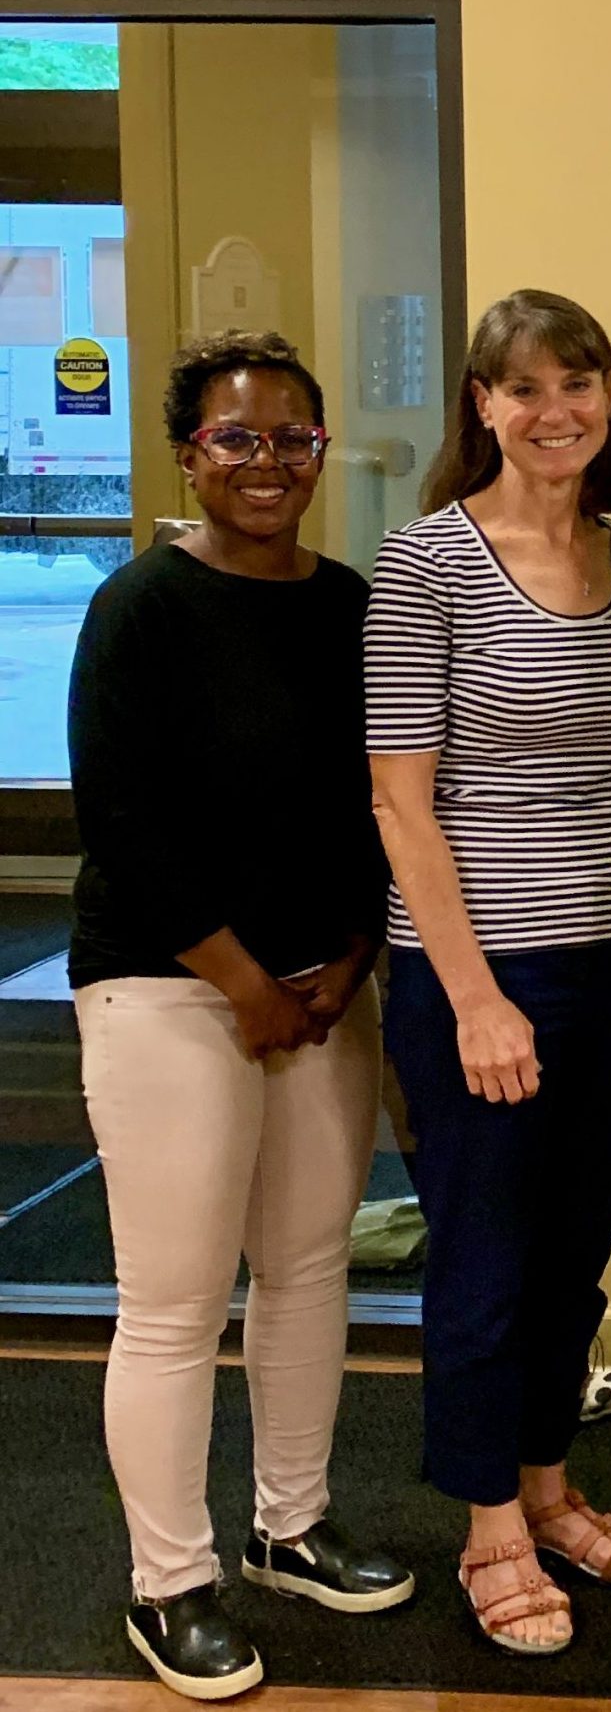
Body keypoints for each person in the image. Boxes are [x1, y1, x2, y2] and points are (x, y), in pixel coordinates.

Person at [367, 289, 611, 1656]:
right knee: (487, 1258)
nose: (555, 409)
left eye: (580, 382)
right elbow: (400, 800)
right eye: (524, 388)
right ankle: (487, 1522)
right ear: (482, 405)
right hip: (485, 966)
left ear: (609, 399)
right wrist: (472, 994)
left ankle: (551, 1481)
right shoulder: (426, 562)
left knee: (573, 1256)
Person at [67, 330, 413, 1700]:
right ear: (186, 453)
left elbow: (385, 800)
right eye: (237, 438)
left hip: (322, 987)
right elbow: (125, 822)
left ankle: (292, 1523)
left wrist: (347, 957)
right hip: (168, 987)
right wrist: (241, 980)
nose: (267, 462)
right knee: (172, 1302)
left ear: (322, 454)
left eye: (291, 439)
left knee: (309, 1264)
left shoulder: (353, 601)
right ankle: (172, 1581)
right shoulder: (140, 607)